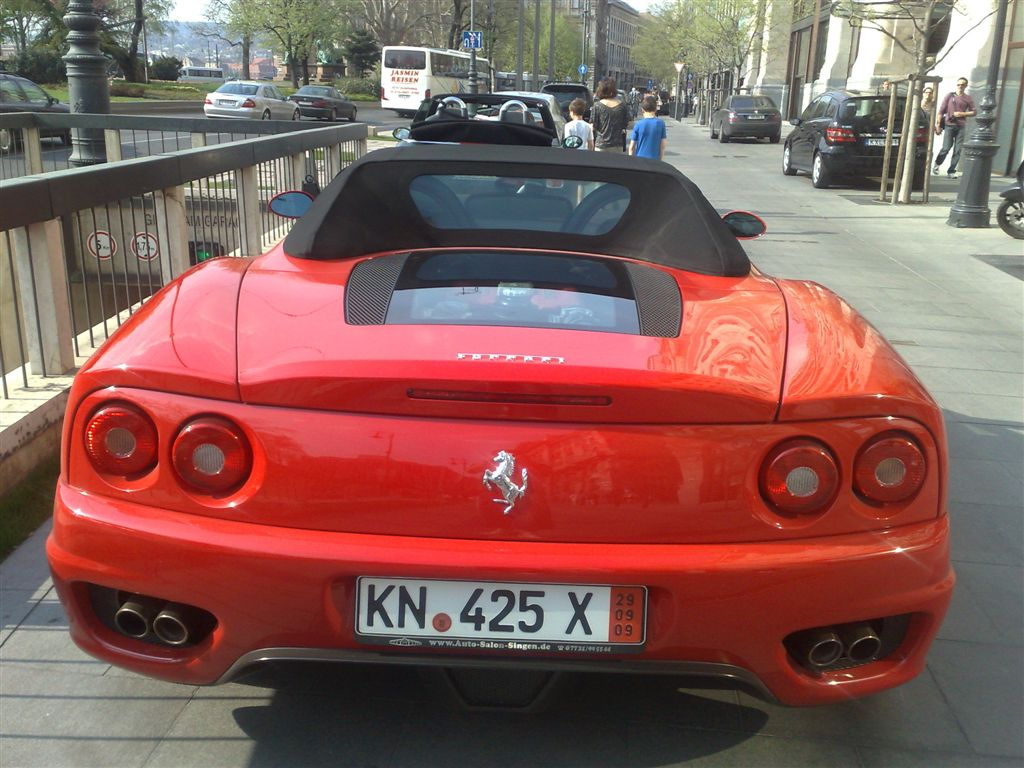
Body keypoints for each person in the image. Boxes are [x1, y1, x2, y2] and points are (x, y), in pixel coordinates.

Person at [933, 77, 976, 178]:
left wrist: (962, 113)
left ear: (966, 86)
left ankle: (951, 171)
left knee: (958, 150)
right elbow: (941, 111)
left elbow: (974, 111)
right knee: (946, 147)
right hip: (949, 125)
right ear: (956, 85)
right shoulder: (949, 96)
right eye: (958, 84)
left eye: (962, 85)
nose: (960, 86)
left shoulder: (967, 98)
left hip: (961, 126)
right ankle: (937, 164)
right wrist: (938, 125)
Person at [591, 77, 630, 153]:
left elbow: (593, 127)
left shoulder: (597, 106)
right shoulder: (622, 106)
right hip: (618, 145)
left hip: (601, 144)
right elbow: (626, 124)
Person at [628, 94, 667, 160]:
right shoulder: (661, 124)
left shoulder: (638, 124)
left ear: (642, 109)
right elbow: (663, 146)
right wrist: (660, 160)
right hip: (654, 161)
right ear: (655, 109)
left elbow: (632, 147)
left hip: (640, 160)